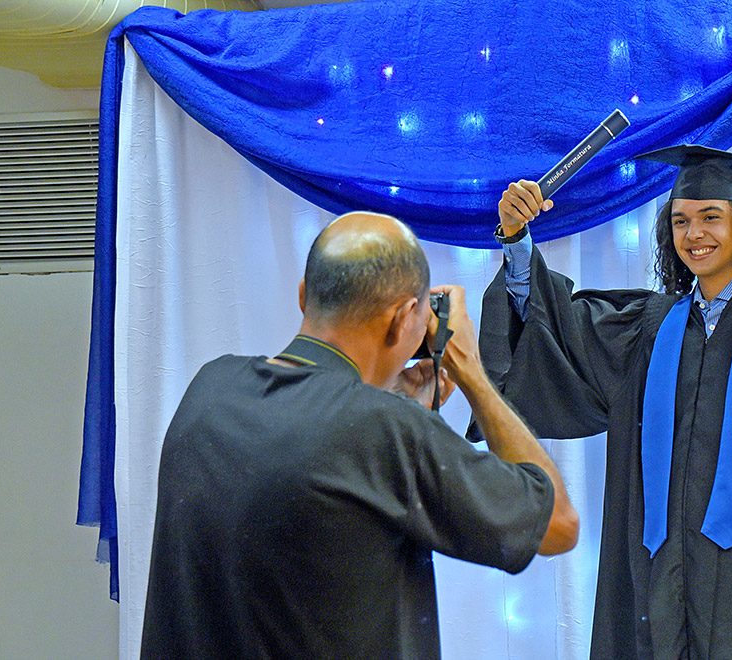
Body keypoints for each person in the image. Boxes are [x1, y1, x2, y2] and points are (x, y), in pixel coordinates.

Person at [476, 145, 732, 660]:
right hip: (662, 578)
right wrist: (518, 241)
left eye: (710, 217)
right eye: (680, 221)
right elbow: (559, 334)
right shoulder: (653, 327)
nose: (694, 234)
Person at [140, 211, 579, 660]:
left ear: (304, 296)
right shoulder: (385, 431)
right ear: (405, 319)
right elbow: (558, 525)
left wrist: (393, 402)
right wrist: (471, 370)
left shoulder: (209, 391)